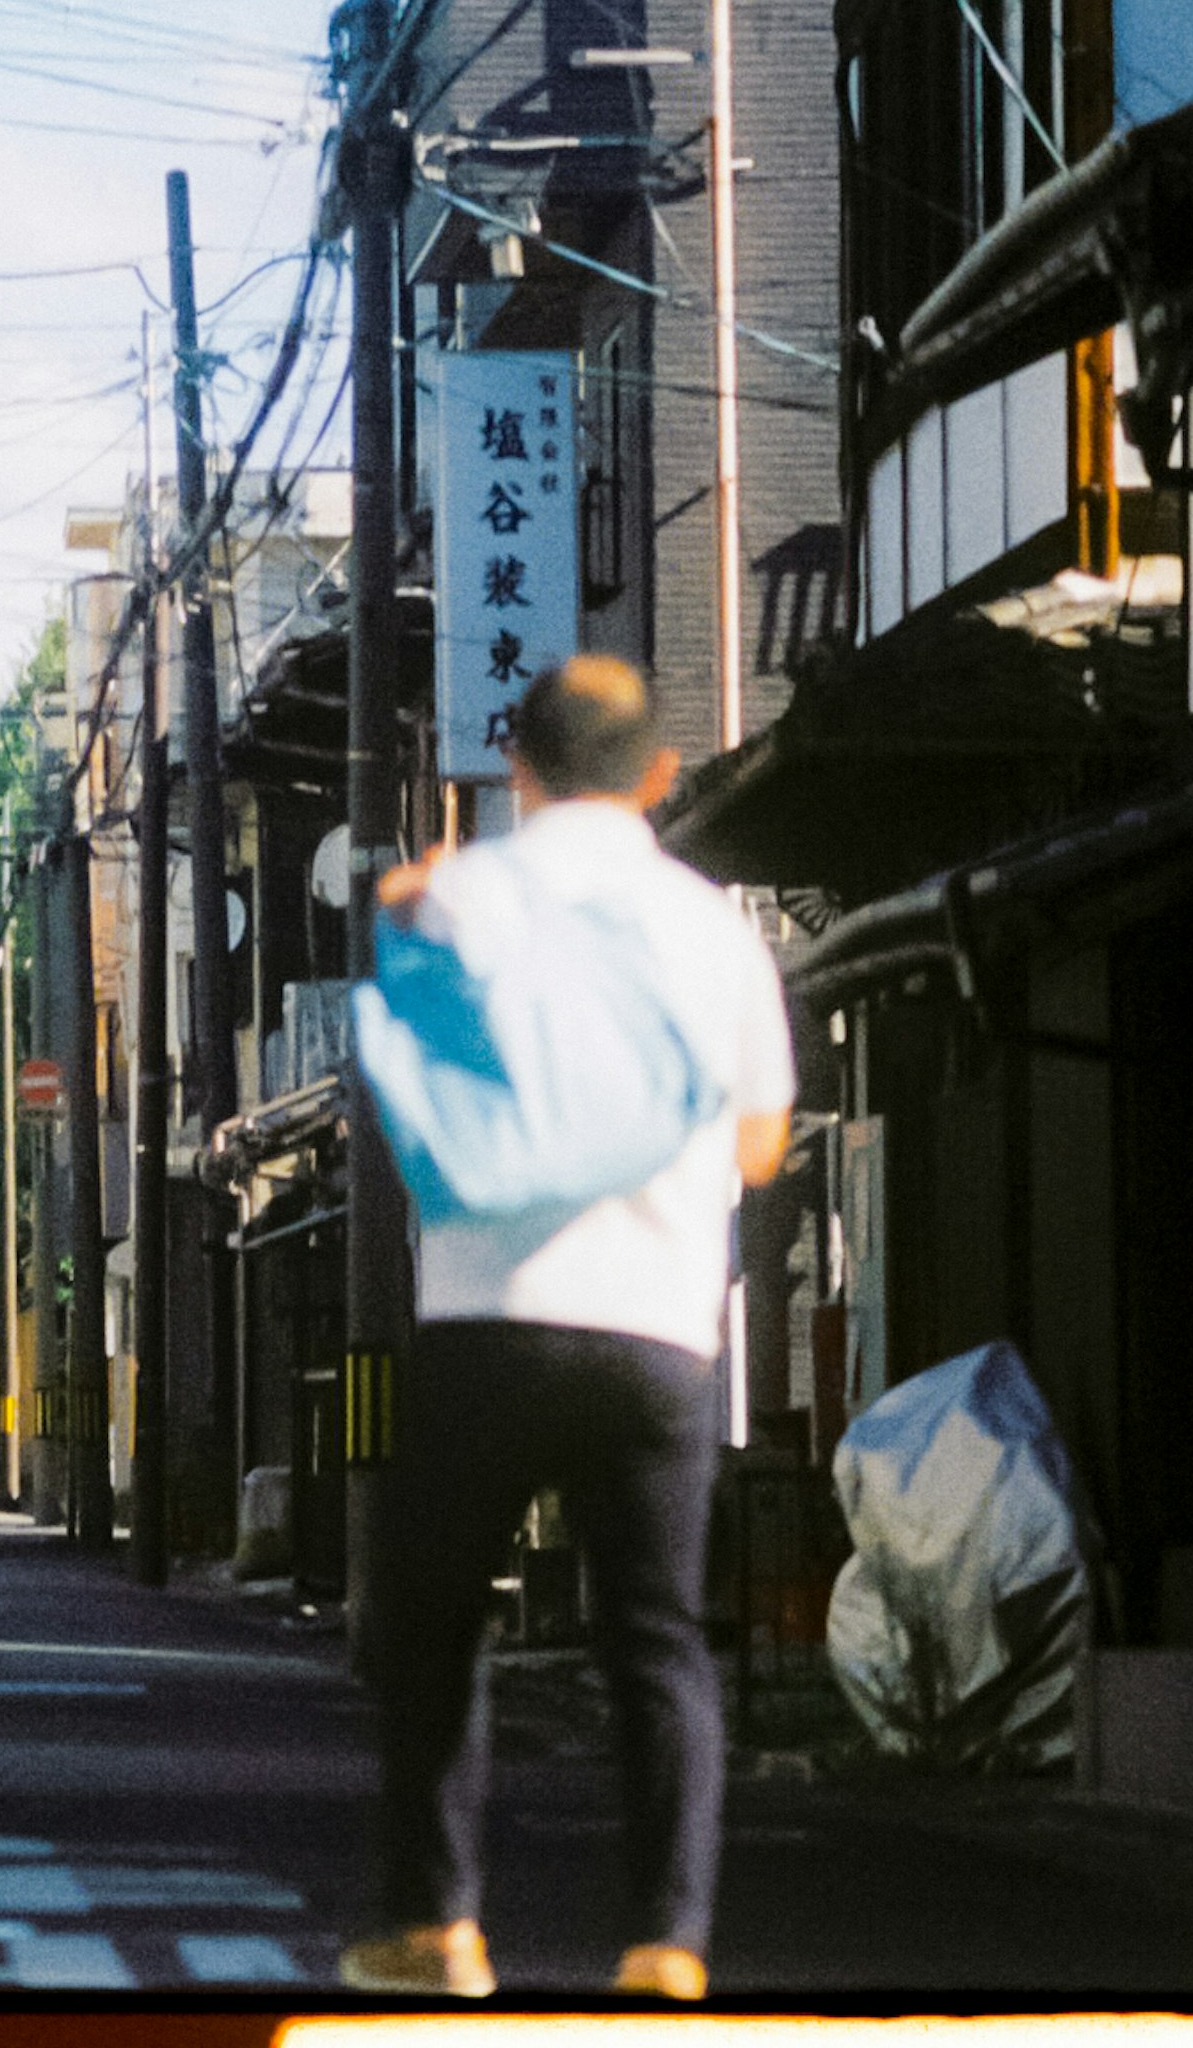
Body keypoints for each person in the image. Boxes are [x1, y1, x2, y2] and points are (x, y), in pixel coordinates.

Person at [338, 655, 795, 2007]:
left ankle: (439, 1925)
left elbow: (405, 1065)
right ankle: (667, 1942)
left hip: (490, 1314)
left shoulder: (463, 895)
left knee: (434, 1625)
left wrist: (403, 918)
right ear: (659, 775)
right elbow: (764, 1141)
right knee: (656, 1638)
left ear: (517, 767)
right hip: (658, 1329)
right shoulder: (710, 923)